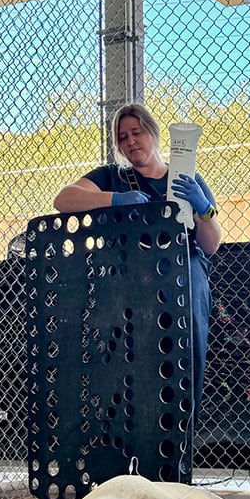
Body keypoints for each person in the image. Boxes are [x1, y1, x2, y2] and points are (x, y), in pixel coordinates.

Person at [53, 103, 222, 420]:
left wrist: (203, 209)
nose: (131, 141)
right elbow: (65, 199)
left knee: (186, 362)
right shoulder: (113, 177)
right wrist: (113, 199)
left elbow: (210, 246)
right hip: (133, 284)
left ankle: (179, 449)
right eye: (122, 137)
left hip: (184, 281)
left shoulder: (186, 177)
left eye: (137, 132)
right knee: (135, 366)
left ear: (154, 133)